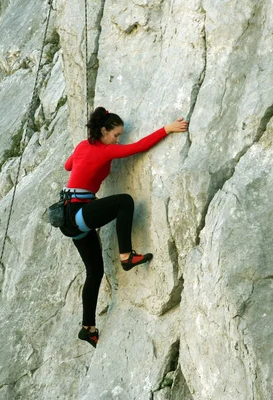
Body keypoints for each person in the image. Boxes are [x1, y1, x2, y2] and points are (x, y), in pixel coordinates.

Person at [62, 106, 189, 348]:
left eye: (120, 136)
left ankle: (88, 328)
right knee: (124, 201)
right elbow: (139, 148)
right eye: (116, 135)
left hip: (70, 217)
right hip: (78, 213)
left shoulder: (81, 146)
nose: (118, 140)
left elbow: (68, 166)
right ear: (103, 131)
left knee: (94, 272)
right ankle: (126, 255)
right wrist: (167, 129)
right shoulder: (106, 151)